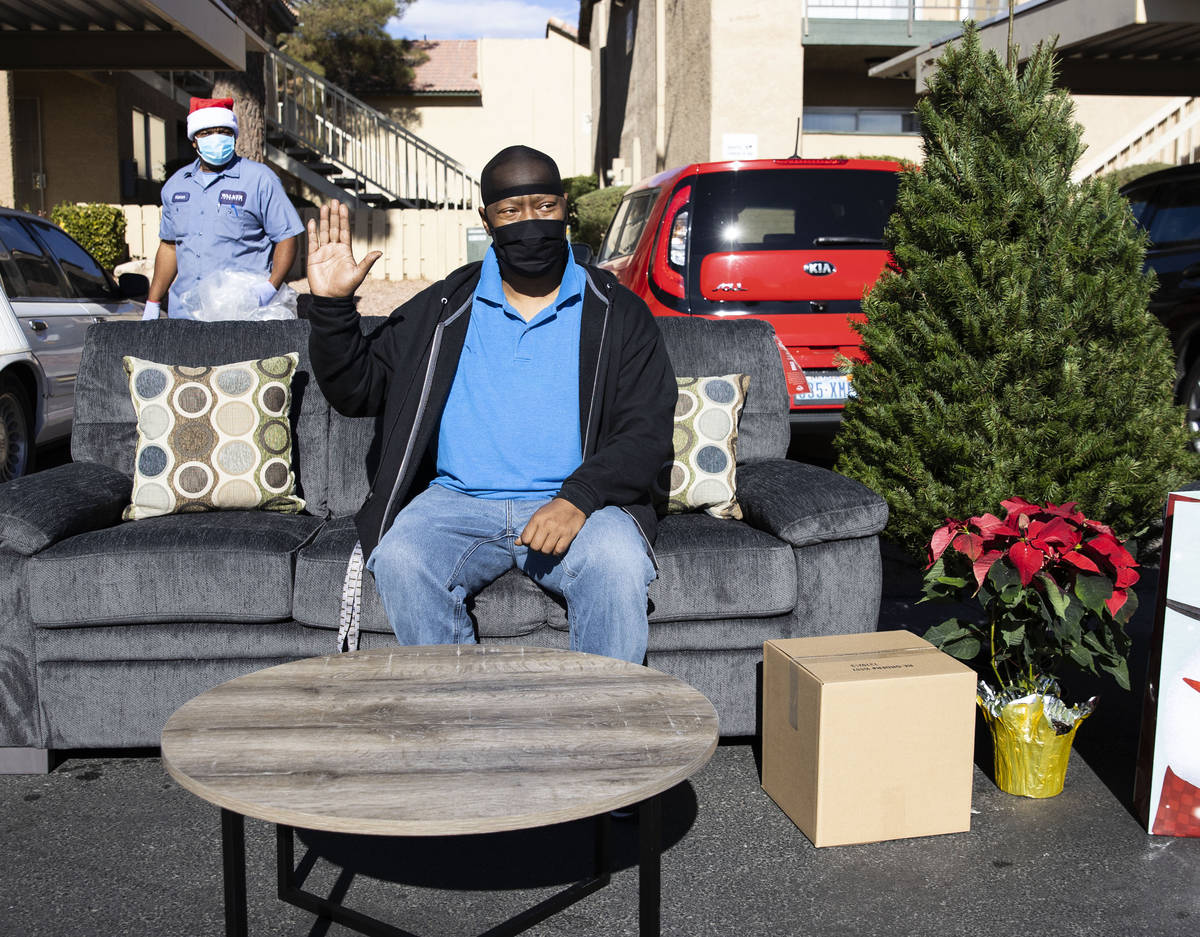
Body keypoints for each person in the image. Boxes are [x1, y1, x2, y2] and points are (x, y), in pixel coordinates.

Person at [306, 145, 676, 664]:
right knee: (402, 557)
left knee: (617, 562)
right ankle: (460, 722)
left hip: (578, 505)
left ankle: (605, 726)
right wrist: (331, 307)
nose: (530, 223)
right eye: (511, 211)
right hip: (456, 503)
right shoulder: (443, 308)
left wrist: (578, 498)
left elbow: (648, 427)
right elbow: (356, 391)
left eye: (544, 207)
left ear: (566, 208)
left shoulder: (617, 312)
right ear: (487, 219)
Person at [143, 97, 305, 320]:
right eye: (207, 133)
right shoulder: (176, 185)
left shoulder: (260, 180)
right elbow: (170, 246)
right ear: (194, 141)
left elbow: (287, 237)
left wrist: (269, 288)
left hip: (241, 313)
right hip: (184, 315)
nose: (216, 138)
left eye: (224, 132)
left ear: (234, 136)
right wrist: (153, 302)